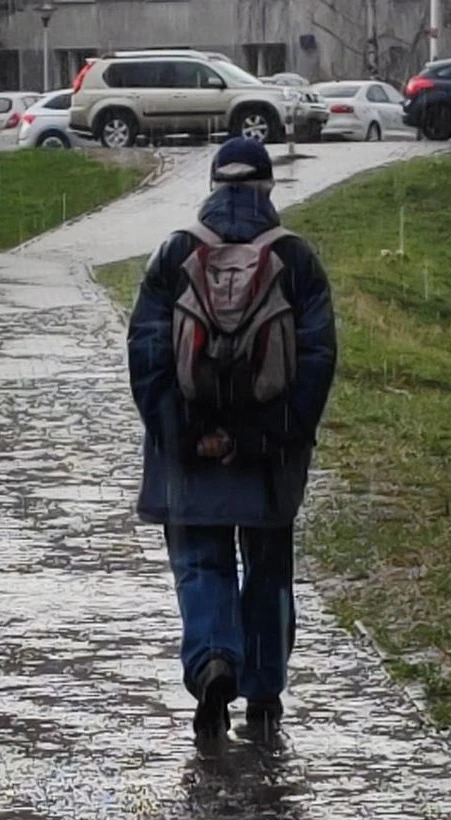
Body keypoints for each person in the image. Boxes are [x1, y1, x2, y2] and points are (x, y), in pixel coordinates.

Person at [127, 137, 338, 746]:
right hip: (269, 456)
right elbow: (318, 360)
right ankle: (265, 692)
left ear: (214, 185)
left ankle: (215, 660)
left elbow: (146, 357)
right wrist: (267, 436)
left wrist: (185, 433)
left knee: (201, 562)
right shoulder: (296, 259)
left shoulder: (174, 255)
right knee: (268, 568)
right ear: (269, 188)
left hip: (190, 457)